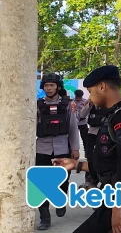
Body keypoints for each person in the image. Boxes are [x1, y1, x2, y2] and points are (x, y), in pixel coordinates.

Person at [53, 65, 121, 233]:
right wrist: (77, 165)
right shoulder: (115, 114)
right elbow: (109, 165)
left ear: (102, 86)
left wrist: (118, 208)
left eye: (90, 91)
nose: (90, 96)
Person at [35, 73, 80, 230]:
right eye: (46, 85)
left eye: (52, 85)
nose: (49, 88)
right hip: (42, 148)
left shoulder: (68, 104)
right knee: (41, 184)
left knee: (63, 179)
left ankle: (60, 198)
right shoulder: (37, 104)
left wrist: (75, 148)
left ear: (58, 87)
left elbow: (74, 127)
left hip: (62, 147)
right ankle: (44, 217)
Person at [78, 100, 103, 189]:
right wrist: (90, 104)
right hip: (93, 132)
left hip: (107, 133)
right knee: (90, 157)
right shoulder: (90, 103)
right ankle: (91, 180)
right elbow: (81, 115)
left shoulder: (110, 102)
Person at [74, 89, 90, 160]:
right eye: (77, 97)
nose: (78, 98)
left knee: (85, 138)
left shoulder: (85, 101)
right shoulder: (72, 102)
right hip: (74, 123)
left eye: (79, 97)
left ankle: (87, 152)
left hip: (83, 122)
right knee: (73, 138)